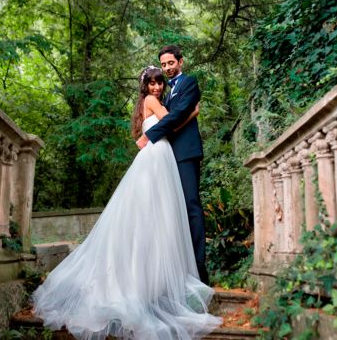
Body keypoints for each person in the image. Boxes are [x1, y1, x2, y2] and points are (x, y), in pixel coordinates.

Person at [33, 66, 222, 340]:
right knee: (155, 215)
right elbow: (170, 123)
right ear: (145, 87)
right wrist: (192, 113)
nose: (157, 87)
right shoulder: (152, 101)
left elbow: (156, 129)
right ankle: (144, 282)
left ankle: (148, 279)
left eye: (160, 83)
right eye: (153, 83)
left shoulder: (146, 103)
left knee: (150, 217)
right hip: (158, 158)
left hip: (156, 157)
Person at [136, 45, 209, 285]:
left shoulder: (189, 83)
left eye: (171, 63)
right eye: (164, 64)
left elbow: (175, 117)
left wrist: (149, 136)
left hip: (185, 154)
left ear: (180, 61)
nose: (168, 68)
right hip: (165, 158)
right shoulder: (162, 95)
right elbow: (170, 116)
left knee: (190, 207)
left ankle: (198, 270)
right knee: (168, 212)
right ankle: (173, 270)